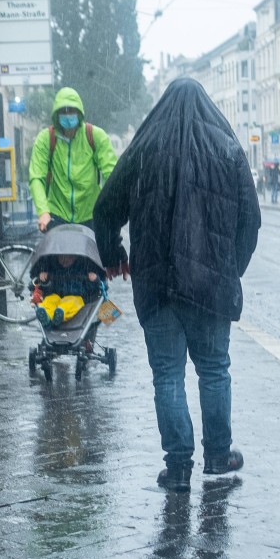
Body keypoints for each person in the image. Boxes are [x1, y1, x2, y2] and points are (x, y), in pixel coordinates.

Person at [93, 77, 262, 492]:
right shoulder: (227, 147)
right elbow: (251, 220)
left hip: (158, 283)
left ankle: (179, 465)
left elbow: (104, 209)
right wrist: (230, 267)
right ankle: (219, 455)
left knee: (167, 375)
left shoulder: (144, 148)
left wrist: (114, 255)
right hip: (210, 287)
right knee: (214, 369)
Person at [28, 87, 119, 234]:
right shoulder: (46, 139)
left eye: (71, 111)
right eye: (63, 111)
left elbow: (112, 175)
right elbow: (36, 177)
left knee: (104, 254)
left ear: (80, 113)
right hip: (57, 216)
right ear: (56, 115)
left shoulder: (95, 136)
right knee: (53, 255)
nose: (67, 115)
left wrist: (113, 206)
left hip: (91, 215)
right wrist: (43, 211)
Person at [31, 236, 105, 328]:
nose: (65, 260)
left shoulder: (84, 267)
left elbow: (94, 290)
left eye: (69, 257)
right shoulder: (52, 267)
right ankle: (46, 316)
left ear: (75, 256)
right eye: (61, 257)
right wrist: (42, 279)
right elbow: (39, 286)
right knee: (49, 300)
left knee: (71, 303)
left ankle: (60, 314)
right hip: (56, 295)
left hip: (76, 296)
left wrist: (94, 280)